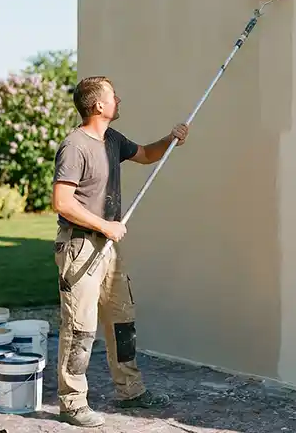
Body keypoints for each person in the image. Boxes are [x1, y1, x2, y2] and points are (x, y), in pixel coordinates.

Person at [51, 75, 189, 428]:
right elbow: (62, 202)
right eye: (114, 96)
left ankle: (130, 391)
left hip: (108, 249)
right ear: (98, 105)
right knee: (80, 328)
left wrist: (171, 139)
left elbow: (145, 155)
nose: (119, 99)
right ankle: (72, 404)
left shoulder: (112, 140)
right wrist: (105, 226)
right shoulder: (74, 146)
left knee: (122, 320)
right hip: (80, 246)